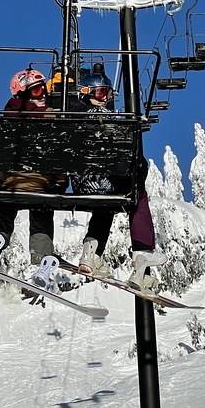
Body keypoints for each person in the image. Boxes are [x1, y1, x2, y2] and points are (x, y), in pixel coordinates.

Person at [71, 69, 166, 292]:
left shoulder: (71, 118)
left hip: (82, 185)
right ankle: (142, 256)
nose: (107, 99)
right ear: (86, 93)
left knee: (106, 203)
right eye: (102, 93)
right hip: (104, 182)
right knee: (136, 194)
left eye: (109, 94)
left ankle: (91, 252)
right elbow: (131, 158)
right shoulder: (105, 119)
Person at [0, 68, 68, 275]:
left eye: (43, 89)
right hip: (41, 186)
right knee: (42, 209)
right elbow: (62, 156)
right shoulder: (52, 118)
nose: (43, 94)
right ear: (24, 93)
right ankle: (41, 254)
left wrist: (0, 183)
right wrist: (60, 182)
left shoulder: (6, 119)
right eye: (36, 91)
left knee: (4, 203)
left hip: (10, 186)